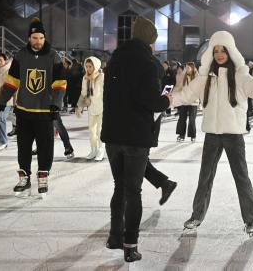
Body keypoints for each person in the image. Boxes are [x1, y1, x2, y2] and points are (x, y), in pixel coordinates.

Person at [171, 30, 253, 237]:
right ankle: (197, 215)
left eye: (223, 50)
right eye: (216, 50)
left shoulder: (240, 75)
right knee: (205, 177)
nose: (219, 54)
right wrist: (166, 101)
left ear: (231, 51)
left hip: (233, 135)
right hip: (212, 133)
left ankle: (251, 220)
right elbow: (186, 94)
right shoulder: (205, 77)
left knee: (241, 177)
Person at [101, 15, 172, 262]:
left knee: (119, 188)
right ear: (151, 40)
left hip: (112, 136)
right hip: (135, 137)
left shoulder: (115, 59)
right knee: (133, 192)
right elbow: (152, 101)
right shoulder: (148, 62)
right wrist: (167, 99)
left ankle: (114, 237)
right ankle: (130, 245)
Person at [0, 17, 67, 197]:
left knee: (45, 147)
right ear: (29, 38)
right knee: (23, 147)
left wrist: (56, 104)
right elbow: (12, 81)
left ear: (44, 38)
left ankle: (43, 177)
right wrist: (1, 101)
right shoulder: (21, 55)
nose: (38, 41)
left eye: (41, 38)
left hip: (44, 112)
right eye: (35, 38)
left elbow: (60, 83)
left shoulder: (54, 56)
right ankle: (24, 178)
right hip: (24, 111)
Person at [76, 56, 105, 161]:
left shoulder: (101, 76)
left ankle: (101, 150)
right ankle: (93, 149)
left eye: (90, 66)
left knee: (100, 130)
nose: (88, 69)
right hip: (91, 107)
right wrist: (79, 106)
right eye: (86, 66)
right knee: (91, 130)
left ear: (95, 66)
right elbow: (83, 93)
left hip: (102, 107)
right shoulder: (85, 78)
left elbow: (101, 92)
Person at [174, 62, 198, 142]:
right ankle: (181, 135)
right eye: (186, 68)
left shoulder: (197, 77)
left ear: (192, 68)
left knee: (192, 119)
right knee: (182, 118)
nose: (187, 69)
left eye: (188, 68)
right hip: (184, 101)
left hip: (193, 102)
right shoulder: (183, 77)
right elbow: (178, 87)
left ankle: (192, 136)